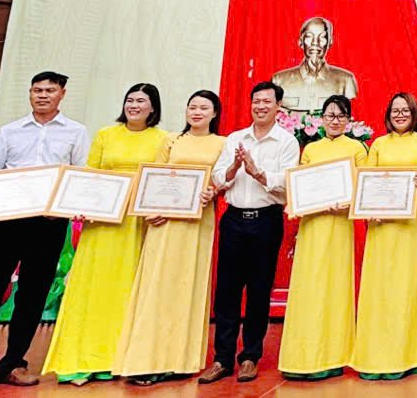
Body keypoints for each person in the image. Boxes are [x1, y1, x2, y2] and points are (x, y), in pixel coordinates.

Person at [0, 71, 87, 393]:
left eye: (49, 90)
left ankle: (13, 364)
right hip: (6, 222)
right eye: (37, 90)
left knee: (32, 296)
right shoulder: (10, 131)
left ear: (61, 94)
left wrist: (78, 206)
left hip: (49, 224)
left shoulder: (76, 132)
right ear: (30, 93)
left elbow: (79, 175)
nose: (42, 95)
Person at [42, 84, 168, 385]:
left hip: (136, 225)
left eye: (141, 101)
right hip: (101, 223)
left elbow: (163, 180)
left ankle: (116, 358)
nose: (133, 105)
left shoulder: (164, 139)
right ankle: (80, 360)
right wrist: (79, 205)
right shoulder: (105, 135)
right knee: (91, 287)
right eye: (129, 100)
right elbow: (89, 174)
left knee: (126, 290)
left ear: (153, 108)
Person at [112, 91, 226, 385]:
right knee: (156, 285)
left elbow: (223, 181)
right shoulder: (171, 141)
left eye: (204, 108)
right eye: (192, 106)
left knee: (188, 285)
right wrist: (149, 210)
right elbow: (153, 176)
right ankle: (145, 360)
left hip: (196, 224)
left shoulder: (222, 143)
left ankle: (180, 361)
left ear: (215, 113)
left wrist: (214, 192)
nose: (197, 112)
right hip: (163, 221)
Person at [199, 81, 301, 384]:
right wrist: (234, 167)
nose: (260, 106)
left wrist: (256, 171)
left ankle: (250, 357)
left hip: (266, 221)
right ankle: (222, 359)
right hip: (233, 219)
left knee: (259, 290)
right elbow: (219, 177)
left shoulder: (287, 142)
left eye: (267, 101)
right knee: (227, 291)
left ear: (278, 106)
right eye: (256, 101)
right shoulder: (235, 138)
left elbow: (287, 181)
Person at [278, 95, 368, 380]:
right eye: (330, 115)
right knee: (309, 285)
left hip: (339, 226)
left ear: (348, 120)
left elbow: (362, 187)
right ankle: (301, 357)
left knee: (335, 285)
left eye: (341, 116)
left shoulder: (357, 149)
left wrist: (347, 203)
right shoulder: (311, 149)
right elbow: (300, 185)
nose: (335, 121)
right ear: (321, 119)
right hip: (312, 225)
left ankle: (333, 356)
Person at [352, 93, 417, 380]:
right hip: (380, 223)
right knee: (378, 286)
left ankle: (408, 356)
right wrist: (369, 209)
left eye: (405, 110)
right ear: (388, 115)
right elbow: (367, 179)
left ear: (414, 113)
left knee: (406, 285)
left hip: (409, 224)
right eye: (395, 110)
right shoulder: (378, 144)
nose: (400, 115)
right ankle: (373, 356)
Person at [271, 17, 358, 115]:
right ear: (300, 42)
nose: (315, 42)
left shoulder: (346, 80)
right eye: (309, 36)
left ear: (330, 42)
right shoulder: (279, 80)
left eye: (322, 37)